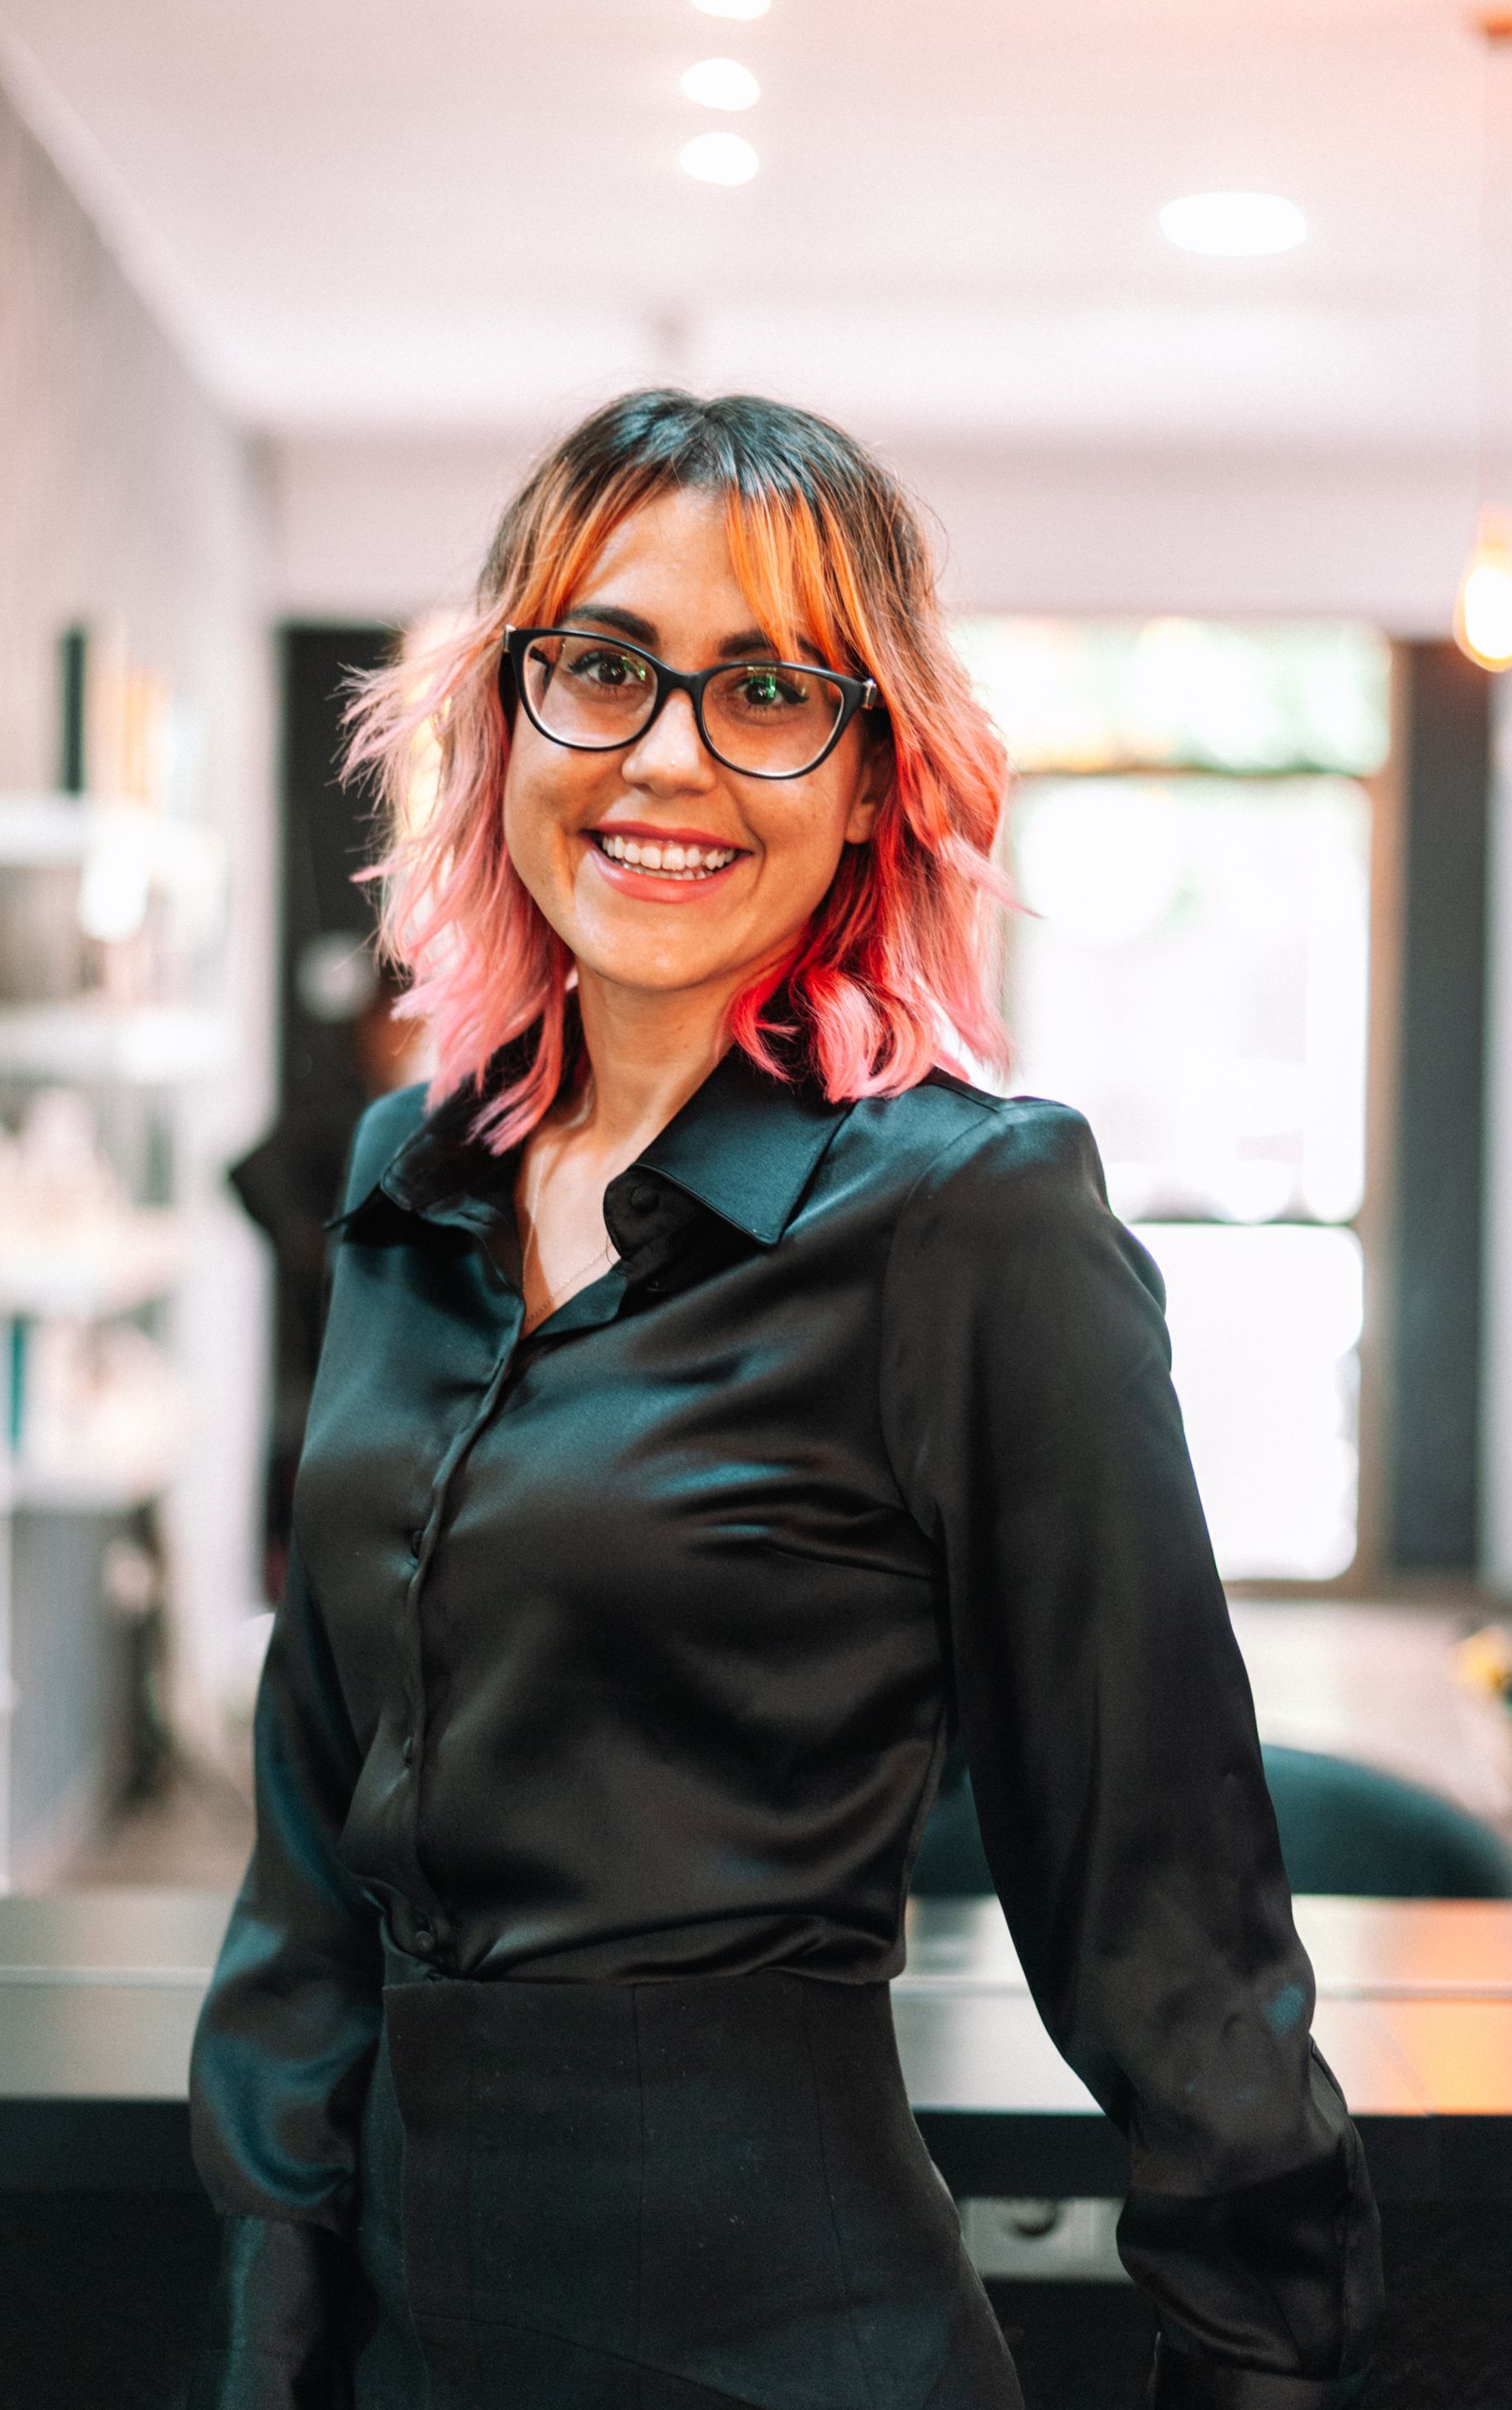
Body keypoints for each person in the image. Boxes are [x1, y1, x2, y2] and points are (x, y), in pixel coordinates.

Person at [188, 390, 1381, 2410]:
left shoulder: (969, 1220)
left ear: (870, 779)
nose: (666, 754)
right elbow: (310, 1858)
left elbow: (1161, 1897)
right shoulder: (405, 1189)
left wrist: (1260, 2353)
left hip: (786, 2344)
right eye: (603, 666)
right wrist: (274, 2332)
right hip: (398, 2342)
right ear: (505, 718)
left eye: (768, 690)